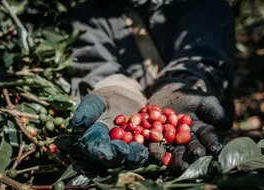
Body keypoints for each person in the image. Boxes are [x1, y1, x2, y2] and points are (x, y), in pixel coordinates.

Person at [66, 0, 236, 172]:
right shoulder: (89, 14)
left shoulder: (205, 5)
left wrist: (178, 90)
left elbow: (203, 59)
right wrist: (117, 90)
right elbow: (97, 66)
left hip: (203, 138)